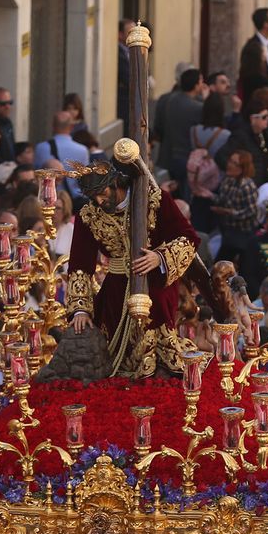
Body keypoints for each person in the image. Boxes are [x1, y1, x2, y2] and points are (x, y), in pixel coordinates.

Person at [65, 152, 201, 378]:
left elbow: (189, 238)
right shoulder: (88, 215)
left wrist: (160, 257)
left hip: (155, 282)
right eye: (93, 197)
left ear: (115, 183)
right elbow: (80, 264)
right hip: (116, 287)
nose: (99, 201)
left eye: (102, 193)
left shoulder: (155, 199)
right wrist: (80, 308)